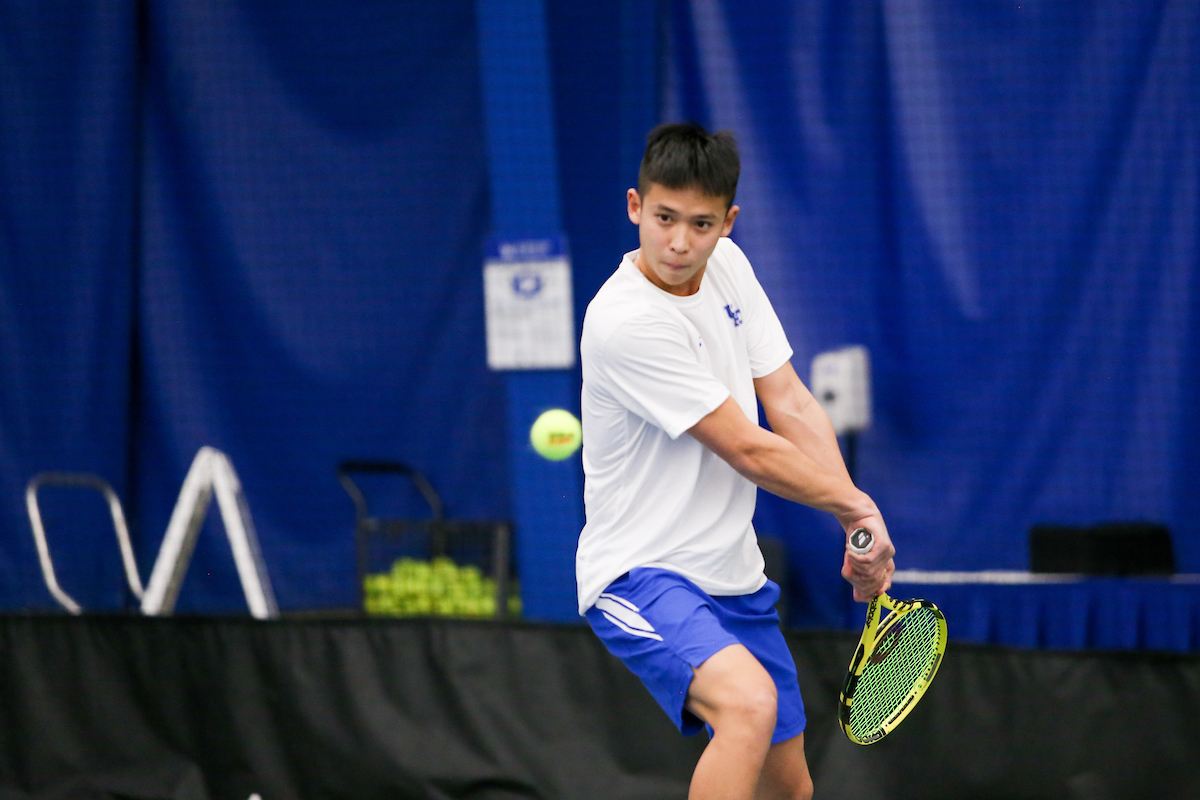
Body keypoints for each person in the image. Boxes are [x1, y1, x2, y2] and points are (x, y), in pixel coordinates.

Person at [576, 122, 895, 800]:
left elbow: (791, 402)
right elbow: (749, 447)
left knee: (790, 790)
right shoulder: (624, 320)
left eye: (701, 224)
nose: (680, 243)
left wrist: (853, 524)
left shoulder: (729, 268)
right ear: (636, 206)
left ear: (729, 223)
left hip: (735, 580)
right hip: (639, 574)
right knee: (747, 704)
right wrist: (856, 506)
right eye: (664, 218)